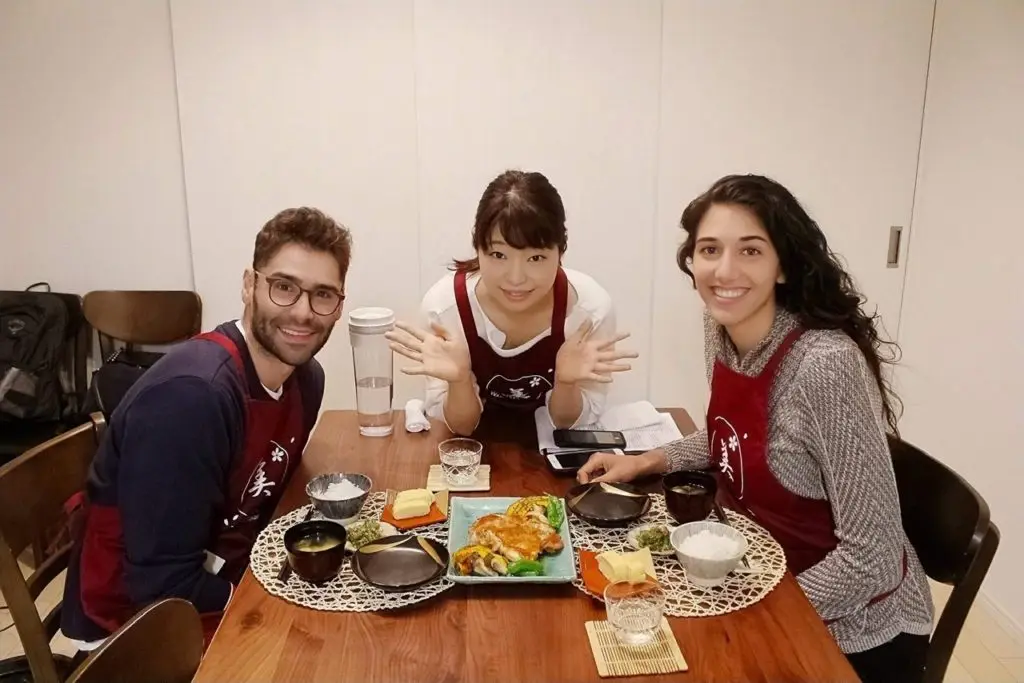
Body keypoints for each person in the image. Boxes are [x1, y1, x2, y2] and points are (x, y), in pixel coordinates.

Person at [576, 175, 933, 683]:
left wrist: (755, 613)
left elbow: (871, 559)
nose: (725, 271)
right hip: (759, 574)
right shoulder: (719, 325)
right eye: (709, 250)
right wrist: (646, 460)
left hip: (854, 630)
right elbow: (732, 437)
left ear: (782, 265)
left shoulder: (824, 365)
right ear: (691, 262)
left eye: (750, 250)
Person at [61, 207, 351, 651]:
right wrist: (276, 599)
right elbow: (160, 587)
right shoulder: (192, 398)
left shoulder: (306, 379)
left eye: (323, 295)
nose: (303, 313)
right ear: (249, 284)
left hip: (224, 570)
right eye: (284, 287)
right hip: (136, 625)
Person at [386, 169, 637, 436]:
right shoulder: (445, 309)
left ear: (561, 250)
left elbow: (568, 425)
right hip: (471, 458)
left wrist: (566, 382)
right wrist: (459, 380)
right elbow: (460, 427)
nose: (516, 278)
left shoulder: (588, 312)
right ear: (477, 247)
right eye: (498, 254)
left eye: (536, 258)